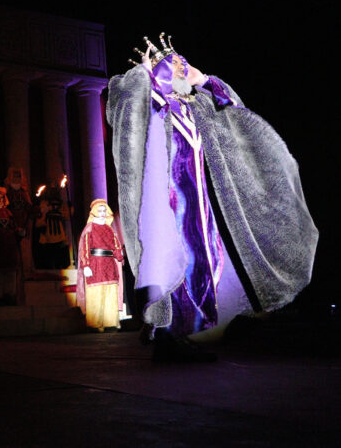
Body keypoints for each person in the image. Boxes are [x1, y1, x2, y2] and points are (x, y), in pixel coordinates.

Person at [107, 34, 317, 360]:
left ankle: (187, 335)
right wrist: (147, 75)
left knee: (206, 261)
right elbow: (123, 103)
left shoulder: (198, 106)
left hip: (202, 204)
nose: (181, 68)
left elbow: (234, 107)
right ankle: (167, 338)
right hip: (164, 203)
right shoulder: (151, 105)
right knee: (171, 263)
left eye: (183, 63)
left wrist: (203, 79)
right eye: (174, 65)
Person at [76, 199, 124, 332]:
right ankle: (95, 323)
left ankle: (110, 322)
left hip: (109, 265)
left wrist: (119, 255)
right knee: (96, 293)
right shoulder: (90, 228)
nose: (102, 213)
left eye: (104, 210)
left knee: (110, 293)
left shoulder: (109, 229)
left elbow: (116, 246)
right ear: (94, 212)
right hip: (95, 265)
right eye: (99, 211)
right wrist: (85, 265)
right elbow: (85, 247)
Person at [3, 167, 35, 278]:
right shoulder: (7, 193)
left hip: (23, 223)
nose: (16, 179)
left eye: (18, 176)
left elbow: (29, 208)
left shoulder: (23, 193)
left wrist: (38, 210)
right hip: (11, 225)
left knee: (24, 248)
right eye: (14, 176)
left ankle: (25, 270)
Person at [35, 185, 70, 269]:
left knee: (60, 260)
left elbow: (67, 216)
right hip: (47, 238)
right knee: (49, 261)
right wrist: (46, 210)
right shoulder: (44, 204)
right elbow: (39, 222)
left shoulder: (61, 205)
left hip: (60, 237)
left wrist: (66, 208)